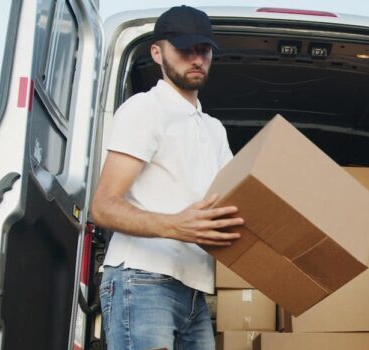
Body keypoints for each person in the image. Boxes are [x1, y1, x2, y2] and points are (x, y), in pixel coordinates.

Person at [91, 6, 241, 349]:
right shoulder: (146, 109)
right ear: (157, 52)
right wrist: (176, 226)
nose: (196, 59)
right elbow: (102, 206)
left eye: (203, 50)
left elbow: (233, 202)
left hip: (195, 291)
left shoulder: (214, 129)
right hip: (142, 281)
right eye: (184, 49)